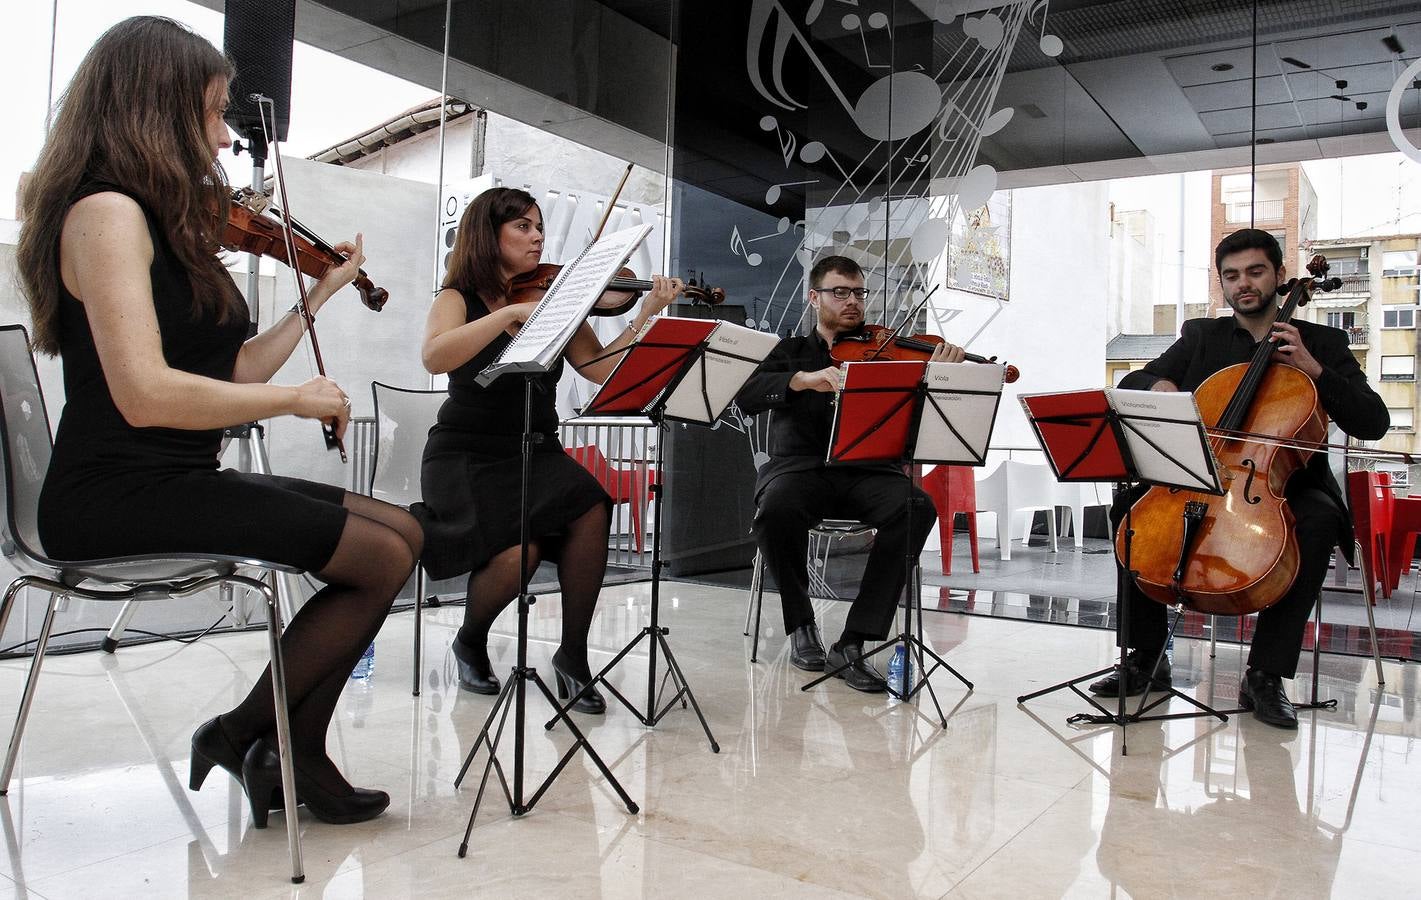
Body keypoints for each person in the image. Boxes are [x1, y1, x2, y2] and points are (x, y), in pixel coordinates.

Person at [15, 17, 422, 827]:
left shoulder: (163, 220)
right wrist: (297, 401)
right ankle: (254, 737)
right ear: (159, 107)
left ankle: (280, 747)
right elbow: (147, 396)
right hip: (113, 492)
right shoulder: (105, 214)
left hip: (175, 476)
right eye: (212, 109)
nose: (223, 130)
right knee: (378, 557)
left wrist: (320, 294)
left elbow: (227, 372)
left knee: (401, 536)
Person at [1091, 228, 1388, 728]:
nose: (1243, 284)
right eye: (1231, 276)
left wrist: (1315, 370)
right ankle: (1146, 659)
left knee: (1316, 523)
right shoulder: (1201, 337)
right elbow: (1133, 382)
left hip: (1286, 482)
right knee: (1131, 511)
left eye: (1254, 272)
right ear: (1223, 285)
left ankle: (1266, 676)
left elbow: (1373, 422)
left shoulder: (1323, 342)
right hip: (1206, 472)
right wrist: (1162, 383)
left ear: (1276, 275)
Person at [416, 186, 682, 712]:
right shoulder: (457, 299)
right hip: (466, 453)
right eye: (523, 227)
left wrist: (647, 310)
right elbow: (434, 357)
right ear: (487, 235)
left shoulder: (557, 297)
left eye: (539, 226)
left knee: (592, 504)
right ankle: (469, 640)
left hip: (537, 449)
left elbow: (600, 369)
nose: (538, 237)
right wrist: (506, 315)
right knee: (522, 553)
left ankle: (573, 657)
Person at [734, 255, 964, 692]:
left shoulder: (888, 354)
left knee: (916, 507)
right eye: (840, 292)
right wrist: (800, 380)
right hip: (800, 469)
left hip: (869, 470)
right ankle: (801, 624)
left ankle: (855, 639)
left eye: (859, 292)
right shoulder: (788, 352)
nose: (853, 301)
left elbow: (923, 417)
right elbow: (744, 394)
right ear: (814, 297)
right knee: (776, 509)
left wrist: (939, 377)